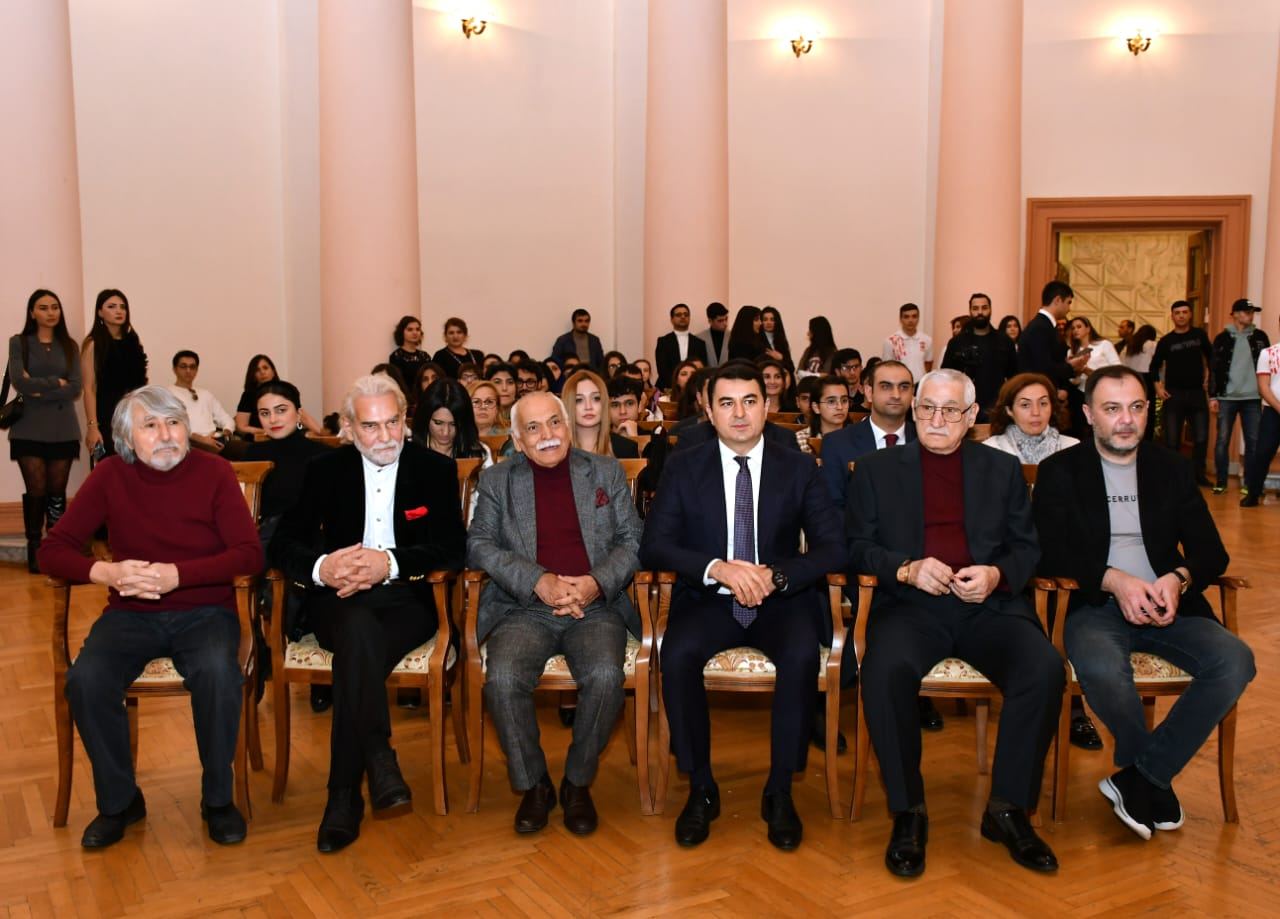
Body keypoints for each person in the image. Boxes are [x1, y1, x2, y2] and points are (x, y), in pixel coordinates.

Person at [847, 368, 1063, 877]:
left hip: (989, 608)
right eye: (926, 408)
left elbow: (1028, 548)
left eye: (949, 411)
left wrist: (995, 574)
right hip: (910, 607)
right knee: (883, 671)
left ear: (971, 418)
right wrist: (906, 568)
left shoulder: (1001, 469)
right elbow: (856, 547)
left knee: (1044, 667)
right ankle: (909, 811)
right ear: (913, 409)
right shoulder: (876, 470)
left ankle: (1008, 809)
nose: (935, 420)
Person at [1034, 365, 1255, 839]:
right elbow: (1046, 552)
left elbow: (1211, 551)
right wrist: (1114, 580)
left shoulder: (1170, 467)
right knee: (1106, 676)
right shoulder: (1061, 471)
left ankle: (1140, 776)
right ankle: (1150, 779)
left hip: (1167, 604)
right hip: (1092, 604)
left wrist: (1178, 578)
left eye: (1136, 407)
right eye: (1112, 409)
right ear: (1089, 414)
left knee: (1236, 660)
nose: (1126, 421)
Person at [40, 385, 262, 848]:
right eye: (150, 426)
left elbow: (248, 555)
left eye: (174, 423)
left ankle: (218, 800)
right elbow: (52, 551)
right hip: (130, 615)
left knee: (218, 675)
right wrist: (106, 571)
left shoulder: (215, 472)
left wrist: (178, 576)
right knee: (86, 680)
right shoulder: (109, 477)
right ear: (126, 439)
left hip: (204, 610)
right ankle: (120, 801)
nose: (166, 435)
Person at [641, 362, 844, 851]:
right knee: (678, 655)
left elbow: (833, 547)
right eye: (726, 403)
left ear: (768, 406)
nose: (739, 413)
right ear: (708, 411)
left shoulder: (798, 466)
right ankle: (701, 786)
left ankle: (779, 790)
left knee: (799, 657)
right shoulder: (684, 465)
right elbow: (655, 545)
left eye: (750, 401)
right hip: (708, 598)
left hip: (781, 599)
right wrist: (717, 567)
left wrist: (775, 577)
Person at [272, 374, 466, 853]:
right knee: (358, 629)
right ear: (350, 430)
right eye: (371, 426)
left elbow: (453, 549)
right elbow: (282, 544)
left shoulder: (433, 469)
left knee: (360, 644)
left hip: (408, 600)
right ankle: (377, 758)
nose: (384, 437)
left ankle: (343, 795)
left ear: (405, 421)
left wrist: (391, 562)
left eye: (393, 423)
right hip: (337, 599)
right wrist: (324, 567)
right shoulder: (324, 470)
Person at [466, 391, 642, 835]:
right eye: (533, 428)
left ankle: (577, 783)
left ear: (567, 425)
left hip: (595, 605)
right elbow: (479, 543)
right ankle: (535, 784)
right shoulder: (498, 481)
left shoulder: (604, 471)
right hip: (524, 608)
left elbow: (633, 540)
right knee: (502, 679)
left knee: (605, 676)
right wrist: (538, 580)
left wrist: (595, 582)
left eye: (554, 423)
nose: (547, 436)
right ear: (517, 441)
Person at [983, 373, 1099, 748]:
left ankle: (1076, 709)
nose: (1036, 412)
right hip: (1008, 556)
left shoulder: (1074, 448)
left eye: (1044, 403)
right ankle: (1028, 703)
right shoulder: (992, 449)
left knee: (1070, 605)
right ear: (1009, 410)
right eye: (1025, 404)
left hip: (1059, 557)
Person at [8, 289, 82, 572]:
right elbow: (19, 382)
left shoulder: (70, 345)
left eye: (55, 307)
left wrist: (40, 386)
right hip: (27, 428)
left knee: (57, 490)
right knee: (36, 489)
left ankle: (56, 545)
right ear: (32, 313)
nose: (51, 312)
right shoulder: (19, 343)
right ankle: (34, 546)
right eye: (43, 307)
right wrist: (57, 384)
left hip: (63, 428)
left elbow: (75, 387)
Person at [1150, 300, 1214, 486]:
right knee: (1172, 440)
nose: (1181, 315)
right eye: (1177, 312)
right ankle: (1173, 477)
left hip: (1196, 394)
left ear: (1190, 314)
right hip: (1174, 394)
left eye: (1185, 312)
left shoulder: (1199, 335)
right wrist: (1158, 387)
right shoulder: (1166, 341)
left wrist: (1209, 376)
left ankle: (1198, 476)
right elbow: (1154, 366)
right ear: (1172, 316)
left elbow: (1211, 358)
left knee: (1201, 438)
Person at [1209, 299, 1269, 495]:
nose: (1250, 315)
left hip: (1252, 398)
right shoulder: (1222, 338)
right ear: (1234, 313)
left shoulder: (1260, 337)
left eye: (1252, 312)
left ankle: (1250, 484)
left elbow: (1269, 367)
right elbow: (1214, 368)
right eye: (1246, 311)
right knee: (1222, 440)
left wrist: (1267, 394)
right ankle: (1221, 481)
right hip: (1226, 397)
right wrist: (1213, 396)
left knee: (1254, 441)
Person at [81, 289, 147, 461]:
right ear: (100, 312)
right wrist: (92, 427)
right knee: (110, 468)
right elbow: (89, 389)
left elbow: (141, 384)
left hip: (134, 414)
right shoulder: (93, 344)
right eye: (112, 306)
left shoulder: (133, 341)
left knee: (137, 468)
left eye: (122, 307)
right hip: (107, 415)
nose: (119, 311)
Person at [1019, 281, 1089, 434]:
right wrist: (1071, 367)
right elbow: (1043, 368)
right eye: (1068, 302)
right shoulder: (1040, 327)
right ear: (1057, 300)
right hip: (1037, 395)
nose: (1069, 308)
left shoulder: (1045, 326)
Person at [941, 293, 1018, 419]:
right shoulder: (957, 343)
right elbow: (946, 377)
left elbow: (1014, 378)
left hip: (996, 410)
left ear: (990, 310)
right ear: (970, 311)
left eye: (984, 308)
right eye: (975, 308)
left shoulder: (1005, 342)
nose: (980, 312)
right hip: (964, 409)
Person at [1243, 312, 1280, 506]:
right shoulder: (1268, 353)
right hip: (1273, 411)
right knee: (1263, 452)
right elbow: (1263, 387)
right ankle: (1253, 493)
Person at [234, 354, 322, 436]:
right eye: (257, 370)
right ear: (253, 375)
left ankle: (325, 435)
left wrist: (320, 433)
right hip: (260, 438)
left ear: (273, 370)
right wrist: (266, 431)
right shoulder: (249, 395)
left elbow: (301, 416)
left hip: (288, 435)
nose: (262, 372)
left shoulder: (287, 389)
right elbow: (241, 427)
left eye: (265, 368)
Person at [167, 351, 234, 452]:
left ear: (197, 370)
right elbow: (171, 425)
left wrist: (226, 433)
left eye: (192, 367)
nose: (188, 370)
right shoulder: (168, 394)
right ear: (174, 369)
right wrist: (201, 440)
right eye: (183, 366)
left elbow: (226, 418)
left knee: (249, 450)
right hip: (190, 443)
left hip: (215, 440)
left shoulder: (206, 394)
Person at [655, 303, 709, 389]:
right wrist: (675, 385)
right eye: (678, 315)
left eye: (686, 314)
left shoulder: (699, 343)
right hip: (668, 387)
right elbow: (662, 369)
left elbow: (702, 369)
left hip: (694, 388)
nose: (683, 317)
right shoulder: (663, 341)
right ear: (672, 319)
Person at [795, 374, 848, 454]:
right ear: (816, 407)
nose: (840, 407)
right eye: (831, 401)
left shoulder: (858, 437)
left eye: (844, 400)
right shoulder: (800, 440)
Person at [883, 303, 933, 381]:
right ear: (900, 319)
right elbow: (887, 367)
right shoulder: (890, 341)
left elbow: (928, 363)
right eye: (906, 317)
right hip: (899, 385)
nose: (910, 320)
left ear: (918, 318)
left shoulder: (927, 340)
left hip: (920, 385)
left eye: (914, 316)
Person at [387, 316, 430, 390]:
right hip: (407, 398)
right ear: (402, 332)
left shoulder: (425, 356)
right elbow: (397, 384)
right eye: (410, 329)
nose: (415, 332)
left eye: (418, 329)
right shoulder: (396, 357)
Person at [605, 376, 643, 455]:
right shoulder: (598, 441)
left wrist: (635, 440)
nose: (623, 412)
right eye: (615, 405)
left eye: (629, 403)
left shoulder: (653, 440)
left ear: (639, 406)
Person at [696, 302, 731, 368]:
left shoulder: (732, 336)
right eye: (720, 321)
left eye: (726, 319)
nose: (725, 323)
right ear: (710, 321)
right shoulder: (699, 338)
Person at [484, 362, 519, 426]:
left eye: (510, 382)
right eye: (497, 382)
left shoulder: (526, 415)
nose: (504, 388)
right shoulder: (480, 415)